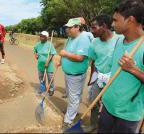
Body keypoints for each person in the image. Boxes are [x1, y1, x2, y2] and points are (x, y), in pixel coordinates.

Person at [98, 0, 144, 133]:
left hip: (127, 115)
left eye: (115, 20)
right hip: (108, 106)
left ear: (130, 20)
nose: (112, 24)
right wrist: (105, 96)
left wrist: (133, 69)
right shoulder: (118, 40)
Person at [84, 14, 122, 132]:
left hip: (114, 79)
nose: (91, 31)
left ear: (104, 26)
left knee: (110, 105)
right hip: (99, 77)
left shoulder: (119, 39)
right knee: (93, 102)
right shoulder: (94, 42)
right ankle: (93, 124)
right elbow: (94, 62)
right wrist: (92, 80)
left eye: (94, 27)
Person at [57, 17, 93, 130]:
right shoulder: (70, 38)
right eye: (66, 28)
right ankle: (71, 112)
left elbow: (80, 58)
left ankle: (68, 120)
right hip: (68, 73)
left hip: (75, 75)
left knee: (74, 98)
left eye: (69, 28)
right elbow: (67, 52)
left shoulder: (83, 39)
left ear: (77, 27)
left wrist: (65, 54)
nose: (67, 30)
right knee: (72, 96)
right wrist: (61, 60)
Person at [33, 31, 57, 96]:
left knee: (50, 78)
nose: (41, 37)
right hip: (40, 64)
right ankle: (42, 88)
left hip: (48, 65)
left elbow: (52, 54)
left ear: (46, 37)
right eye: (40, 36)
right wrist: (36, 55)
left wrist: (47, 62)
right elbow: (34, 50)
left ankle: (51, 89)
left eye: (43, 36)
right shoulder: (38, 44)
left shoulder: (50, 44)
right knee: (41, 78)